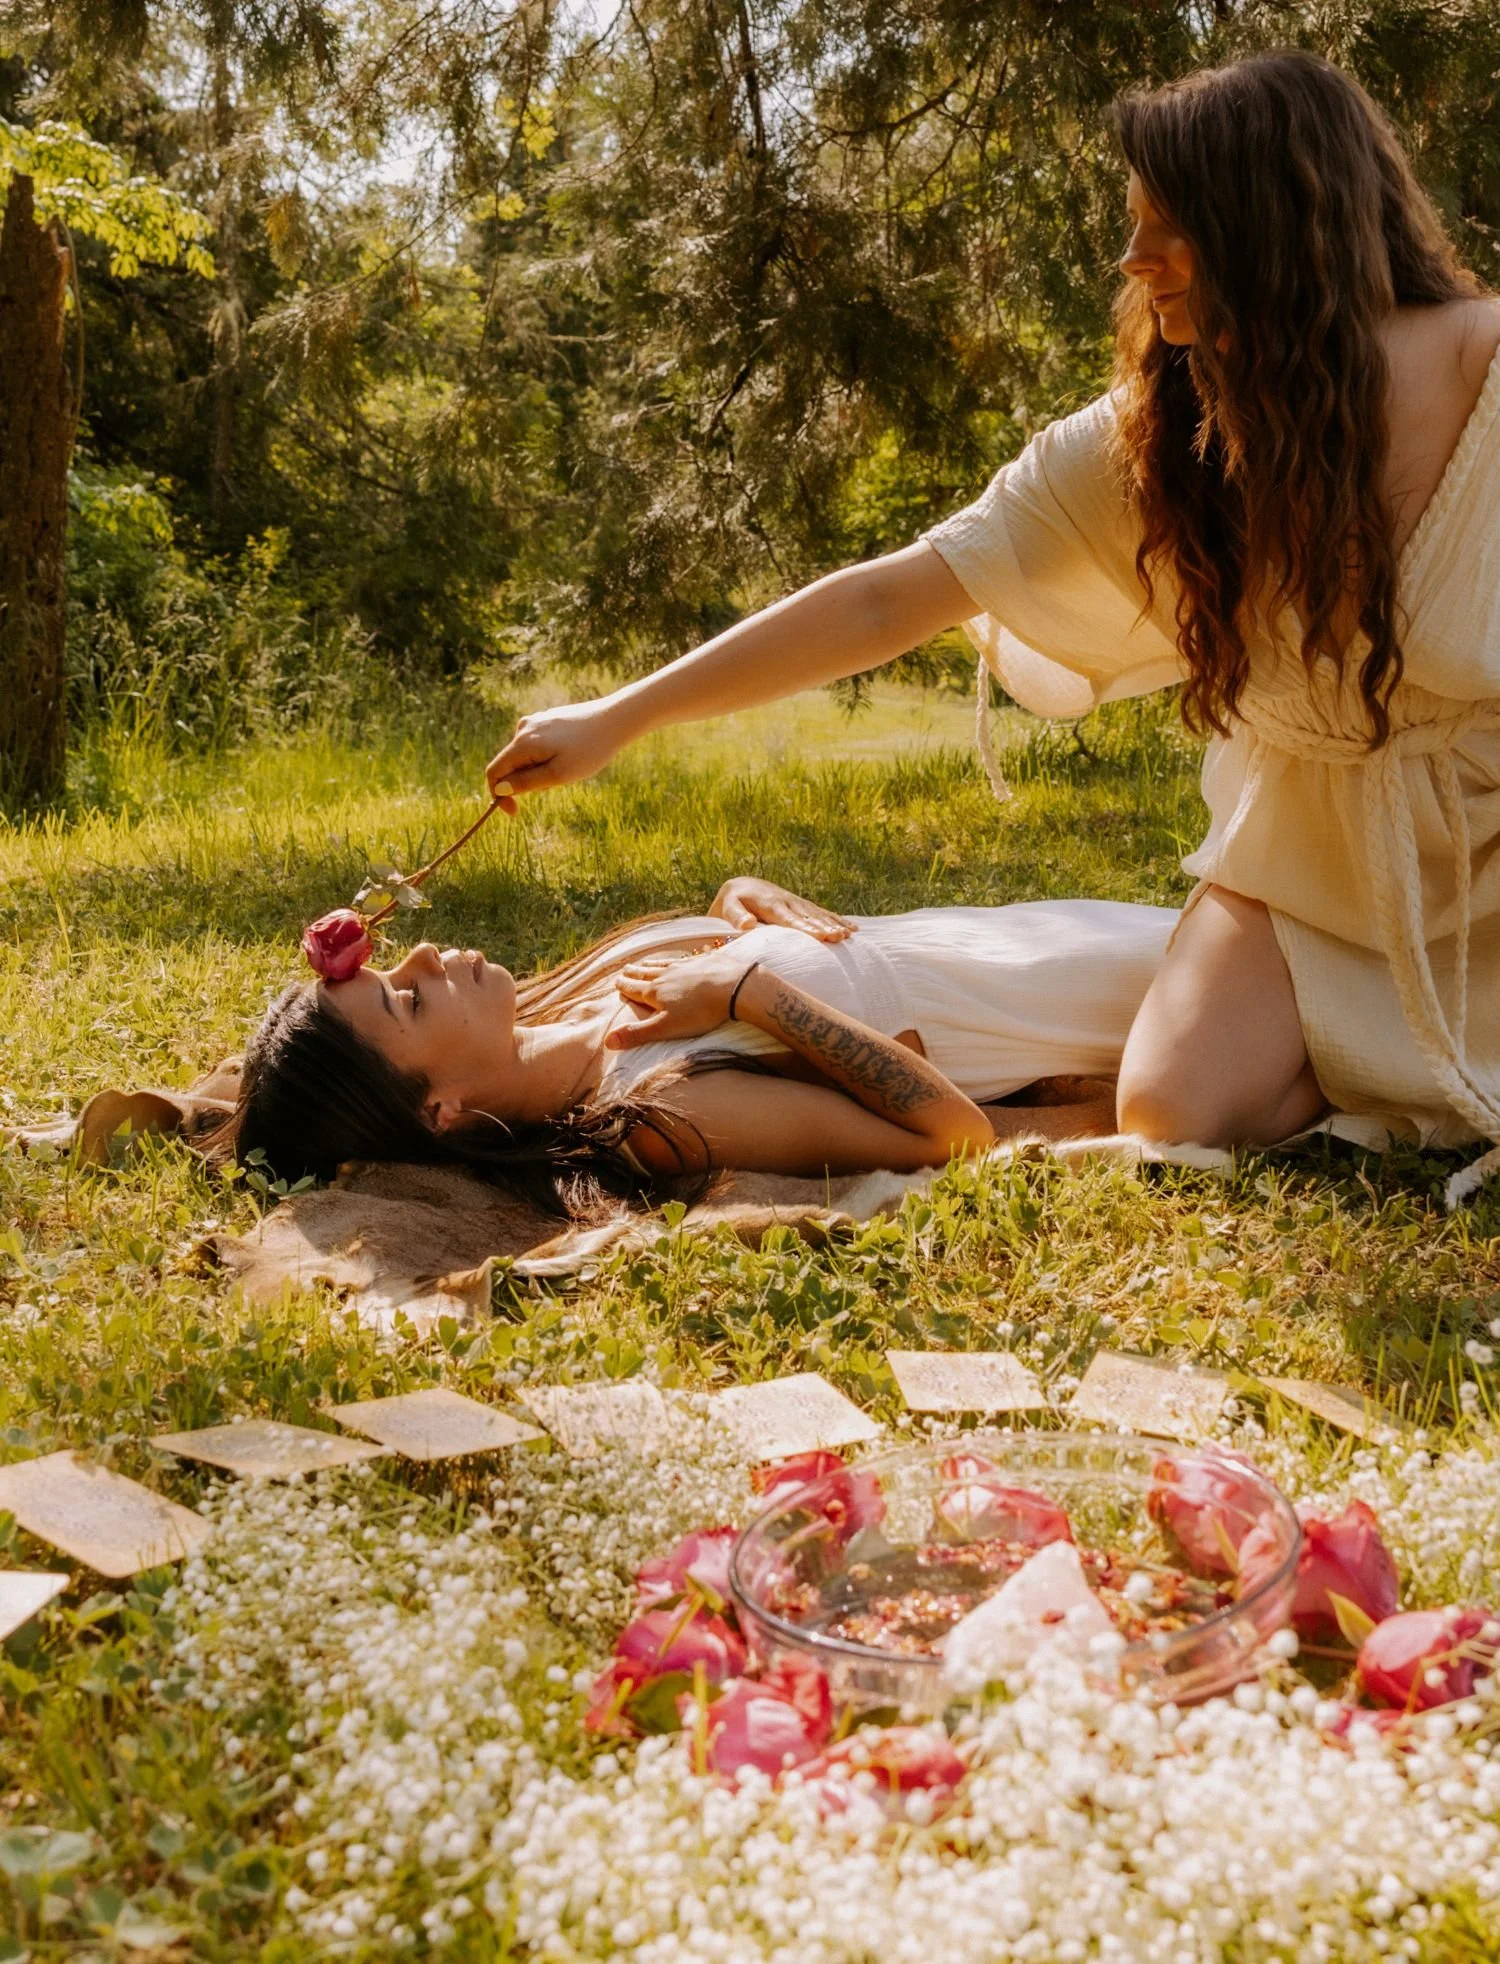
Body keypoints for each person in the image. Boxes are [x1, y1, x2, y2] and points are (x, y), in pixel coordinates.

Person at [481, 52, 1500, 1200]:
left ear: (1275, 223)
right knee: (1174, 1104)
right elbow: (891, 593)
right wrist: (621, 715)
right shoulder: (1153, 443)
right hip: (1313, 864)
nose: (1131, 261)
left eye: (1169, 226)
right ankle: (1374, 1049)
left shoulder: (1489, 373)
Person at [232, 877, 1177, 1207]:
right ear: (440, 1110)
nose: (427, 956)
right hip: (1073, 1006)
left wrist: (737, 902)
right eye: (406, 1002)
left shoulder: (569, 1005)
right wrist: (752, 989)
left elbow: (734, 944)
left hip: (1026, 935)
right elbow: (953, 1135)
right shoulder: (653, 1113)